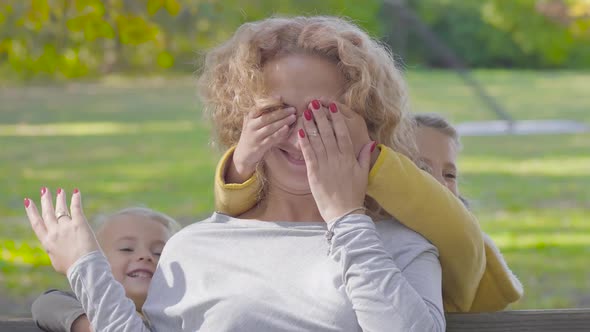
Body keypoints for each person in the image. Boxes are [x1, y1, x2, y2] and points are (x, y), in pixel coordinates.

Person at [24, 16, 454, 331]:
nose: (301, 133)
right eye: (279, 111)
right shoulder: (195, 248)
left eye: (324, 114)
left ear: (368, 122)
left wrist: (346, 218)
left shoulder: (402, 247)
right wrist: (85, 265)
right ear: (243, 121)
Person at [213, 109, 523, 313]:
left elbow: (460, 236)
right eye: (419, 169)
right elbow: (236, 221)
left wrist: (371, 155)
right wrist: (241, 168)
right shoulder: (354, 223)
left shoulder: (453, 235)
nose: (439, 184)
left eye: (450, 174)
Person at [30, 205, 180, 332]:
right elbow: (45, 304)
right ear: (98, 261)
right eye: (126, 249)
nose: (145, 256)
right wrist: (93, 325)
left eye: (159, 253)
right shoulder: (85, 305)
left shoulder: (178, 314)